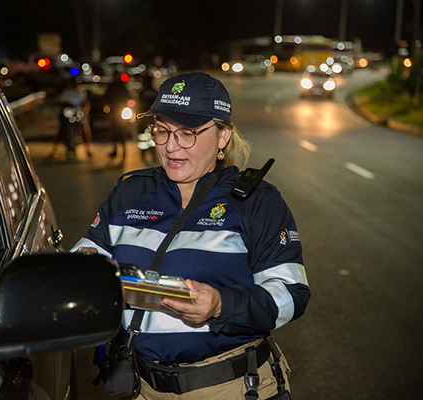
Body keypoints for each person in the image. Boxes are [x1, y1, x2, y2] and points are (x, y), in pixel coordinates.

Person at [72, 71, 310, 399]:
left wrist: (221, 305)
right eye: (162, 131)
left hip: (230, 387)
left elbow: (291, 294)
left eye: (188, 133)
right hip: (140, 387)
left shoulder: (257, 201)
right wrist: (86, 263)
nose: (171, 146)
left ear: (223, 135)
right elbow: (88, 251)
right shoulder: (129, 193)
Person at [104, 70, 132, 159]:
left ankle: (123, 151)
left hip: (121, 111)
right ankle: (116, 150)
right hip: (115, 112)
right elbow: (106, 97)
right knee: (115, 133)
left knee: (122, 132)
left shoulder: (121, 86)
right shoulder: (112, 86)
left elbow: (128, 97)